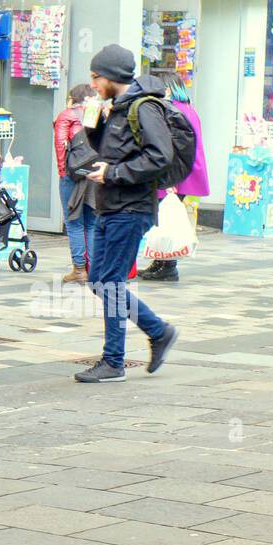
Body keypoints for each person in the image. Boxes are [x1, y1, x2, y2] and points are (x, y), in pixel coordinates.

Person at [77, 44, 179, 383]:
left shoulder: (142, 108)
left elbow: (160, 156)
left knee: (109, 283)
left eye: (95, 77)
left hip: (130, 208)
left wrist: (114, 174)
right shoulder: (117, 108)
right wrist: (93, 125)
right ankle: (140, 343)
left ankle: (123, 355)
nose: (92, 84)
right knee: (101, 282)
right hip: (109, 205)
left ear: (110, 77)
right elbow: (108, 151)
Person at [139, 81, 208, 282]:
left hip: (175, 174)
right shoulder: (189, 109)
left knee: (164, 217)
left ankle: (168, 265)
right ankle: (162, 262)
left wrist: (170, 179)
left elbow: (173, 146)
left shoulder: (174, 111)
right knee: (165, 216)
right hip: (186, 172)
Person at [54, 84, 95, 283]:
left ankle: (79, 270)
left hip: (73, 174)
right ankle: (94, 269)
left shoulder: (67, 115)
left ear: (72, 98)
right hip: (95, 174)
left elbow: (60, 145)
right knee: (92, 222)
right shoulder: (96, 114)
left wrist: (63, 173)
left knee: (73, 222)